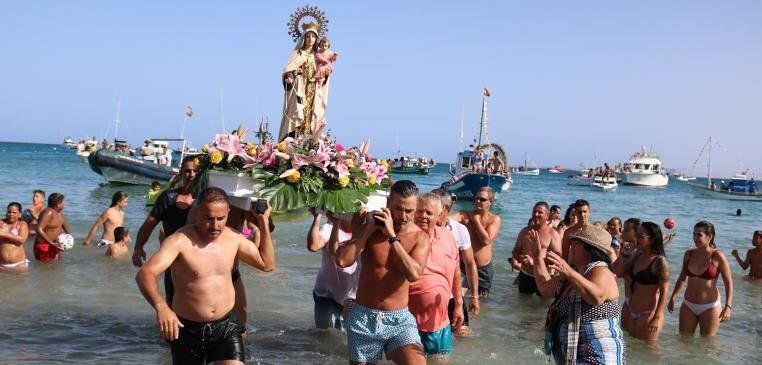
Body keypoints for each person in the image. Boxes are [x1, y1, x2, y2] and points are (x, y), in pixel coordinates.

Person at [135, 187, 275, 365]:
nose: (215, 225)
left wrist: (262, 221)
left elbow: (267, 265)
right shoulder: (179, 241)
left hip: (226, 327)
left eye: (220, 218)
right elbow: (145, 274)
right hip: (187, 329)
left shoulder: (234, 238)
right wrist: (162, 307)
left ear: (228, 213)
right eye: (208, 218)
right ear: (196, 212)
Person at [335, 180, 430, 365]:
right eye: (398, 209)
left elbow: (414, 274)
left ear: (416, 207)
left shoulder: (420, 237)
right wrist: (368, 229)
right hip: (363, 316)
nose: (403, 216)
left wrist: (392, 236)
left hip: (399, 319)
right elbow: (342, 260)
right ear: (387, 204)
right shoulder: (369, 226)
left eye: (409, 211)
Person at [531, 224, 625, 364]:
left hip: (599, 356)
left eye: (576, 244)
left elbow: (595, 297)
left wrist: (567, 271)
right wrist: (538, 258)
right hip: (576, 357)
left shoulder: (601, 270)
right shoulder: (571, 277)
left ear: (590, 249)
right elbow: (544, 288)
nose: (571, 247)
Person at [133, 156, 197, 306]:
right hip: (174, 258)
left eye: (196, 171)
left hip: (198, 258)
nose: (192, 174)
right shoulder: (168, 198)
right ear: (181, 173)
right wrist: (138, 247)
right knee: (172, 299)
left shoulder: (206, 199)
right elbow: (149, 224)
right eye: (187, 171)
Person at [408, 193, 464, 359]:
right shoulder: (405, 237)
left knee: (441, 361)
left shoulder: (448, 237)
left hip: (440, 323)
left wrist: (459, 305)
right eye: (419, 211)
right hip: (408, 323)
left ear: (440, 215)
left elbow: (456, 271)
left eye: (429, 213)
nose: (423, 216)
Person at [668, 221, 734, 336]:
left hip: (710, 306)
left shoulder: (717, 256)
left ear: (709, 237)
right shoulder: (689, 254)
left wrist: (728, 307)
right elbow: (682, 278)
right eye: (694, 234)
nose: (695, 238)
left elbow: (728, 282)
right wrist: (673, 297)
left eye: (699, 235)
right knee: (684, 341)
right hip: (688, 304)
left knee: (707, 346)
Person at [432, 189, 479, 337]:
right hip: (429, 294)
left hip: (453, 295)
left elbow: (470, 263)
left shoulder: (459, 230)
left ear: (447, 208)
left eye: (435, 209)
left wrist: (475, 297)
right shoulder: (423, 227)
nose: (430, 213)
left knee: (462, 334)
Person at [615, 221, 670, 343]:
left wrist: (657, 317)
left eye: (641, 237)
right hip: (629, 308)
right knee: (627, 346)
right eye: (637, 235)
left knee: (649, 352)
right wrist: (624, 256)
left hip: (648, 313)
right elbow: (618, 273)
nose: (636, 239)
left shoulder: (660, 262)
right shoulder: (637, 255)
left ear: (651, 240)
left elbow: (664, 292)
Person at [307, 207, 358, 330]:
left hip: (351, 296)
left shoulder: (365, 232)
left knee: (347, 336)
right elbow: (313, 246)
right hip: (326, 293)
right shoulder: (329, 228)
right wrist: (317, 217)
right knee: (322, 333)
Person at [279, 22, 331, 141]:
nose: (310, 39)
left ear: (316, 39)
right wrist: (290, 76)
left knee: (311, 116)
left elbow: (324, 71)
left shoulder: (318, 56)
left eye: (313, 36)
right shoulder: (298, 53)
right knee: (299, 112)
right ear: (304, 37)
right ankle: (294, 139)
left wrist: (325, 74)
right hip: (299, 90)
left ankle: (308, 140)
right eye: (308, 36)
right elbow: (289, 69)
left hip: (313, 90)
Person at [450, 187, 502, 297]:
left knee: (480, 303)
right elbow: (446, 220)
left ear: (490, 202)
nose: (478, 201)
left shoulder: (494, 219)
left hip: (483, 270)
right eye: (477, 198)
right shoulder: (465, 215)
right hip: (465, 266)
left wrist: (477, 221)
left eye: (482, 199)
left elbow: (486, 241)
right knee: (457, 296)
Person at [512, 202, 562, 295]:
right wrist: (521, 258)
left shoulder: (553, 234)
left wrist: (535, 262)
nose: (536, 214)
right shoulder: (525, 231)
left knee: (541, 306)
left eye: (540, 212)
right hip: (526, 274)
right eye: (534, 211)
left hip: (544, 276)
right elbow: (516, 251)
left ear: (547, 215)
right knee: (522, 305)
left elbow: (557, 258)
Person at [616, 217, 642, 333]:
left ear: (636, 232)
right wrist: (624, 256)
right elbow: (619, 273)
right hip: (627, 300)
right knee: (626, 337)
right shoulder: (628, 249)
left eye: (626, 230)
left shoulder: (644, 253)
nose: (622, 232)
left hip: (642, 305)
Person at [34, 193, 72, 263]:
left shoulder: (60, 214)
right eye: (63, 202)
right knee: (44, 268)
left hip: (55, 245)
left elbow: (68, 231)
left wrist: (68, 241)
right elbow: (39, 229)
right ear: (58, 204)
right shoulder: (48, 212)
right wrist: (52, 243)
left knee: (55, 268)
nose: (64, 204)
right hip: (44, 246)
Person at [1, 202, 30, 270]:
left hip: (19, 264)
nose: (11, 214)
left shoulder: (22, 224)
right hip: (2, 265)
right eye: (9, 212)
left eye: (14, 212)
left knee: (19, 280)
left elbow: (22, 239)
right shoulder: (1, 223)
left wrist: (5, 234)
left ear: (19, 214)